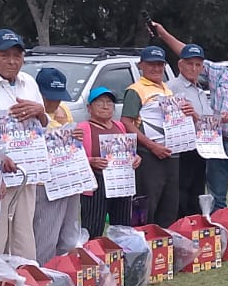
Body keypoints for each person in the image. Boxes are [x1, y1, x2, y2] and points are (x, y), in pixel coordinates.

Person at [150, 22, 228, 216]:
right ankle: (219, 229)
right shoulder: (218, 73)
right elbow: (186, 53)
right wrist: (163, 33)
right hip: (215, 142)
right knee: (216, 196)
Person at [0, 28, 45, 260]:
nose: (12, 61)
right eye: (5, 55)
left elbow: (43, 123)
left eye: (17, 55)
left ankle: (25, 277)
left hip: (27, 168)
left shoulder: (28, 82)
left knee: (24, 232)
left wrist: (40, 111)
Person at [122, 46, 188, 228]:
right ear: (141, 65)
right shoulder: (135, 90)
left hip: (171, 154)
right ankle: (142, 241)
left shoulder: (167, 90)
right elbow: (126, 122)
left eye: (160, 64)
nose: (156, 68)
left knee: (169, 205)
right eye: (151, 64)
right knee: (147, 204)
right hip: (149, 155)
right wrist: (152, 146)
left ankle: (164, 242)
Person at [31, 66, 80, 262]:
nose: (55, 102)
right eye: (49, 97)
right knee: (46, 236)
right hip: (46, 184)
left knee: (69, 235)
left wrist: (76, 136)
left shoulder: (64, 111)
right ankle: (43, 273)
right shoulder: (32, 111)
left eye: (59, 97)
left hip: (69, 178)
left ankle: (66, 269)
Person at [77, 87, 139, 238]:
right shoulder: (83, 128)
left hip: (120, 182)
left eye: (109, 103)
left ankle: (122, 251)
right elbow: (74, 157)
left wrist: (135, 158)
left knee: (122, 226)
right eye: (100, 103)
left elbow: (127, 151)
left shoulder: (120, 126)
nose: (105, 106)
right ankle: (92, 252)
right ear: (89, 108)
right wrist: (91, 161)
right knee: (93, 226)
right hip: (96, 183)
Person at [168, 42, 212, 218]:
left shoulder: (200, 90)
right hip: (182, 149)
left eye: (197, 64)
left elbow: (204, 119)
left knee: (197, 191)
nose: (194, 68)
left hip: (200, 148)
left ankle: (194, 225)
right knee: (182, 191)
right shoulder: (171, 87)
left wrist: (218, 119)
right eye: (189, 64)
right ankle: (182, 225)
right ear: (180, 64)